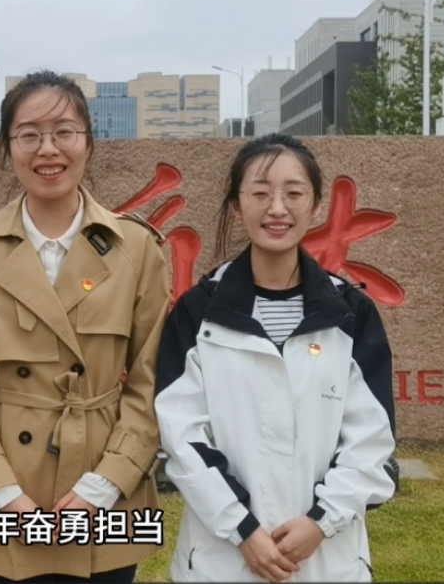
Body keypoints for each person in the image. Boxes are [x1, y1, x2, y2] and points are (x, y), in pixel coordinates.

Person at [0, 70, 171, 582]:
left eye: (64, 132)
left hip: (106, 487)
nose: (48, 149)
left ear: (88, 142)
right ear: (7, 147)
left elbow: (153, 380)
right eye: (29, 135)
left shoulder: (135, 248)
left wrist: (105, 484)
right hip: (4, 488)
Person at [153, 133, 396, 583]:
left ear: (316, 205)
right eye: (261, 193)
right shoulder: (198, 311)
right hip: (221, 560)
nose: (277, 208)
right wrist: (243, 530)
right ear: (236, 205)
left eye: (294, 193)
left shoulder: (349, 314)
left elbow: (371, 439)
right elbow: (181, 437)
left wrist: (320, 522)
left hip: (326, 560)